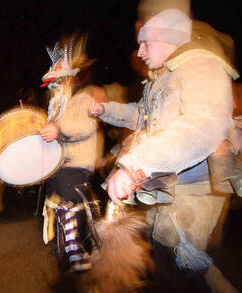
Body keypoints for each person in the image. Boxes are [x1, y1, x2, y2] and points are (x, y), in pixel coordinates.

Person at [90, 9, 239, 292]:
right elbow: (140, 116)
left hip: (193, 192)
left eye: (146, 43)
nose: (140, 52)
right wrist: (106, 109)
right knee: (173, 264)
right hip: (169, 187)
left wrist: (137, 163)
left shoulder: (202, 66)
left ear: (170, 39)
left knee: (179, 268)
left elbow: (203, 125)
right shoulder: (161, 78)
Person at [39, 34, 99, 273]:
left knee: (72, 209)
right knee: (60, 207)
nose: (54, 87)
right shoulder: (57, 106)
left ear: (69, 81)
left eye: (58, 82)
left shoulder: (84, 99)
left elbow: (86, 128)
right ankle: (68, 252)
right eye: (52, 83)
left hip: (77, 165)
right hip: (60, 167)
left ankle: (81, 255)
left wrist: (58, 129)